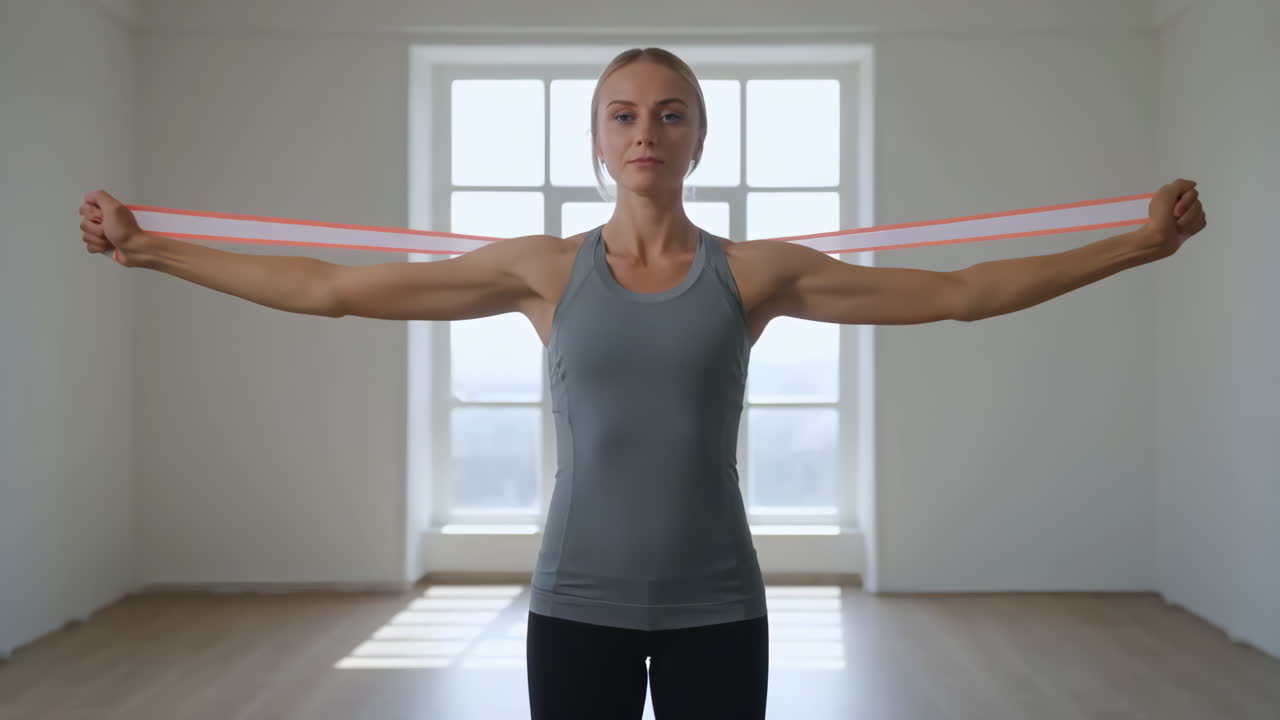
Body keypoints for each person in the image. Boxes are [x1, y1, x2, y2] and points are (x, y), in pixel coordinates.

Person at [78, 46, 1206, 720]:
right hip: (576, 607)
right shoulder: (540, 271)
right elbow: (328, 289)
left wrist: (1137, 247)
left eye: (669, 113)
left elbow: (964, 292)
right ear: (596, 140)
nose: (645, 131)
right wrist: (151, 250)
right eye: (623, 114)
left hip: (722, 607)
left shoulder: (754, 274)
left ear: (699, 137)